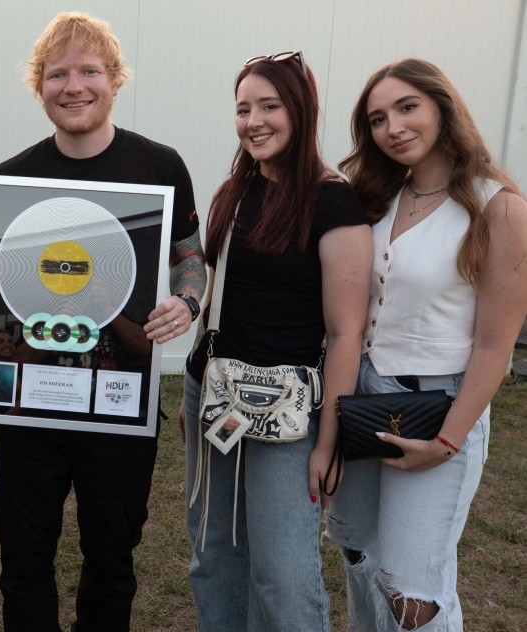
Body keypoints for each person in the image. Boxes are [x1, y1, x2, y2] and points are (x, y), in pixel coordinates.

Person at [0, 13, 206, 631]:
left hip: (119, 396)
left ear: (113, 80)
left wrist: (186, 302)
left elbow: (189, 256)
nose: (73, 86)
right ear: (41, 87)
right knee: (23, 555)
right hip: (28, 402)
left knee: (112, 554)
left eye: (88, 71)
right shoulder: (9, 178)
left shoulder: (159, 165)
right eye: (57, 74)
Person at [325, 58, 527, 631]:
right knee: (359, 555)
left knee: (414, 594)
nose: (394, 127)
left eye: (407, 107)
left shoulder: (498, 208)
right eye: (378, 118)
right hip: (361, 401)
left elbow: (495, 346)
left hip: (437, 406)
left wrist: (447, 441)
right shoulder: (374, 198)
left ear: (442, 106)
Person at [181, 52, 372, 631]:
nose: (254, 121)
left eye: (270, 106)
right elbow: (216, 297)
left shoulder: (333, 201)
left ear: (302, 111)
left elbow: (345, 334)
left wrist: (329, 441)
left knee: (283, 574)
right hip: (215, 398)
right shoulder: (233, 193)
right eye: (243, 109)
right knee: (214, 556)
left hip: (289, 413)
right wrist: (197, 392)